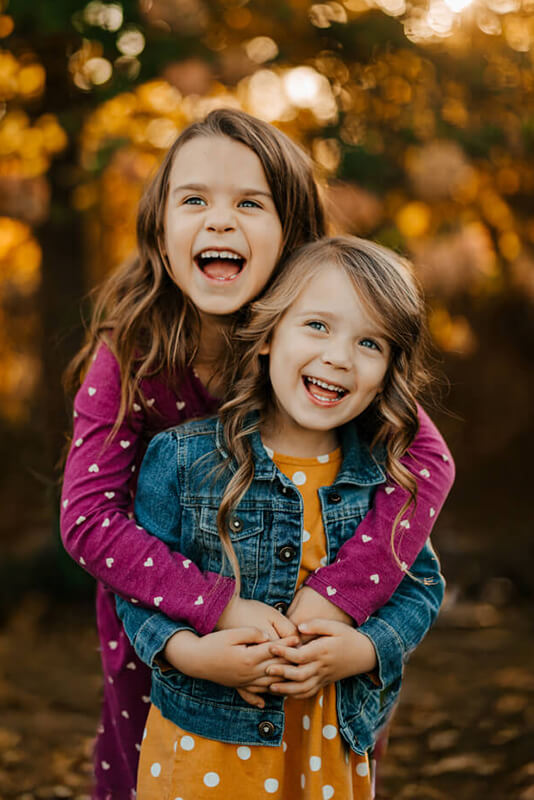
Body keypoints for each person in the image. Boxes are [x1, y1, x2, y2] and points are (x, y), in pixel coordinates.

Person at [60, 110, 454, 800]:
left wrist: (338, 602)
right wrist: (215, 612)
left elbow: (427, 463)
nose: (219, 221)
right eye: (195, 200)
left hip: (315, 643)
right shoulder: (133, 355)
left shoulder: (325, 341)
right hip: (169, 617)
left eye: (249, 202)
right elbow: (89, 518)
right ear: (159, 228)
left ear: (293, 230)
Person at [117, 235, 450, 799]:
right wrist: (191, 653)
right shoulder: (183, 460)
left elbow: (418, 588)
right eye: (317, 326)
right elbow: (140, 591)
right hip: (203, 749)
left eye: (370, 342)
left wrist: (363, 650)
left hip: (323, 745)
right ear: (269, 334)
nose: (339, 357)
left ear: (389, 369)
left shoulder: (386, 478)